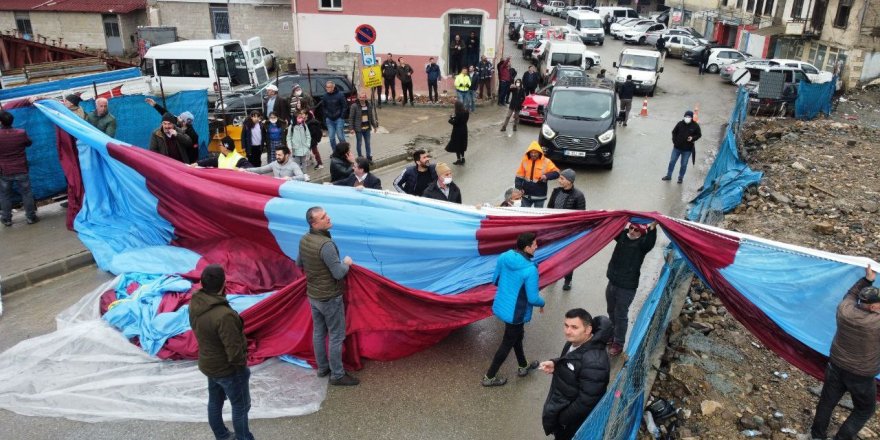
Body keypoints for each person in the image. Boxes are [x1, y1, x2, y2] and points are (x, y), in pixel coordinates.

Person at [810, 265, 880, 440]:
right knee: (865, 410)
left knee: (827, 402)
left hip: (836, 366)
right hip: (861, 375)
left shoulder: (845, 310)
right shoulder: (876, 323)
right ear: (872, 307)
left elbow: (851, 293)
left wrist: (867, 280)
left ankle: (817, 436)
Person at [189, 264, 254, 440]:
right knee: (240, 406)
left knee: (215, 401)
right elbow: (233, 349)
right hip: (228, 369)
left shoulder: (195, 302)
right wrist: (241, 368)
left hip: (209, 364)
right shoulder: (224, 316)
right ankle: (244, 437)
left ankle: (222, 435)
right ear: (224, 283)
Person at [298, 206, 359, 386]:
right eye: (324, 217)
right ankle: (338, 375)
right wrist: (346, 263)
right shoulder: (326, 245)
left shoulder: (304, 239)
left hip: (314, 295)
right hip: (330, 297)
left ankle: (323, 368)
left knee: (319, 332)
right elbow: (338, 273)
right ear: (315, 223)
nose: (329, 218)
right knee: (336, 335)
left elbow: (299, 263)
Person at [482, 231, 546, 387]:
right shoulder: (530, 270)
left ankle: (523, 366)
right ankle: (489, 377)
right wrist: (542, 303)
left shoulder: (504, 256)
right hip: (516, 313)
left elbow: (495, 280)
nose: (537, 246)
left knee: (517, 336)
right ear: (527, 247)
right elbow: (532, 298)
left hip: (503, 306)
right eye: (534, 244)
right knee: (508, 342)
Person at [539, 309, 612, 440]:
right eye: (566, 325)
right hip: (562, 406)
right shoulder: (574, 342)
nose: (567, 331)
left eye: (574, 327)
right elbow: (572, 360)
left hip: (572, 422)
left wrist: (562, 419)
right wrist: (556, 364)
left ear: (588, 329)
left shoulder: (595, 362)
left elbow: (587, 401)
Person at [605, 221, 657, 357]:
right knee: (610, 310)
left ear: (641, 233)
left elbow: (650, 242)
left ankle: (618, 343)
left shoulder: (642, 245)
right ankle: (612, 334)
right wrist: (615, 217)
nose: (632, 231)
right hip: (612, 282)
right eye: (631, 228)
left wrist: (653, 228)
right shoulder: (623, 236)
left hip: (626, 287)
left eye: (636, 230)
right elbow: (613, 228)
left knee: (620, 315)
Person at [547, 169, 586, 291]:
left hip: (569, 233)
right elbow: (549, 208)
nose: (559, 180)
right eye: (559, 178)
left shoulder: (578, 196)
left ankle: (568, 280)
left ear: (570, 181)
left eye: (562, 179)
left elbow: (581, 216)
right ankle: (553, 276)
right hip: (554, 230)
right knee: (553, 255)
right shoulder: (556, 191)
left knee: (568, 257)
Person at [0, 110, 37, 226]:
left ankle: (7, 219)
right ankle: (31, 217)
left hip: (4, 170)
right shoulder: (21, 133)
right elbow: (29, 143)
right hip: (21, 168)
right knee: (26, 193)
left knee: (5, 195)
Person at [145, 97, 199, 163]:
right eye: (165, 123)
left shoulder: (192, 134)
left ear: (184, 122)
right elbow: (167, 115)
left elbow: (192, 149)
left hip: (184, 162)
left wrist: (190, 164)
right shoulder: (177, 124)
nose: (177, 117)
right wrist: (155, 105)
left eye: (179, 117)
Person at [515, 141, 560, 208]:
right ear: (528, 153)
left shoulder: (546, 162)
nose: (533, 154)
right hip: (526, 195)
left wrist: (546, 176)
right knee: (524, 215)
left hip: (540, 196)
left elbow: (557, 173)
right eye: (531, 152)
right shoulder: (525, 161)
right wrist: (519, 188)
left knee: (537, 215)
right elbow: (519, 176)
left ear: (539, 153)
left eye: (535, 152)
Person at [662, 110, 702, 183]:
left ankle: (680, 178)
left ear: (691, 118)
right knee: (672, 162)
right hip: (677, 148)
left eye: (689, 117)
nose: (687, 118)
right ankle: (669, 175)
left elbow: (699, 135)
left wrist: (693, 138)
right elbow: (674, 132)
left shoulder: (695, 126)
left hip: (687, 149)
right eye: (686, 116)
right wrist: (675, 141)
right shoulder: (680, 124)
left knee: (683, 164)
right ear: (684, 117)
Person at [243, 146, 307, 181]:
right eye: (276, 154)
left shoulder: (293, 165)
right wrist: (245, 170)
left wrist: (290, 178)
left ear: (287, 155)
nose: (277, 157)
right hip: (277, 189)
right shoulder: (274, 164)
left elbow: (301, 177)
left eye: (279, 155)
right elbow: (260, 170)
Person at [349, 92, 378, 161]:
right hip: (359, 128)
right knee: (359, 143)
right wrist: (351, 128)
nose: (362, 99)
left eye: (363, 97)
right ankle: (360, 157)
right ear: (358, 98)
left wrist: (374, 126)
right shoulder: (354, 106)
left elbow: (371, 116)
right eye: (360, 97)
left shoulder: (369, 105)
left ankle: (369, 157)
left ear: (365, 98)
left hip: (367, 128)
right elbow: (351, 118)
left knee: (367, 143)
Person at [323, 81, 348, 152]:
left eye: (329, 87)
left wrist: (342, 116)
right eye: (326, 87)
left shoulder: (340, 95)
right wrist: (326, 116)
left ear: (333, 87)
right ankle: (335, 152)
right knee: (331, 137)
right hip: (329, 120)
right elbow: (323, 107)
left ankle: (345, 151)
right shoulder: (325, 96)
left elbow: (345, 106)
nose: (327, 88)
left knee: (340, 136)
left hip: (339, 119)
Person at [445, 100, 469, 166]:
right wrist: (454, 117)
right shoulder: (466, 112)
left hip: (457, 131)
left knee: (457, 145)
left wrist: (450, 120)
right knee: (462, 144)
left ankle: (458, 159)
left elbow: (455, 122)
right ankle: (463, 158)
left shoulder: (458, 113)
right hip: (464, 130)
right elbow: (461, 120)